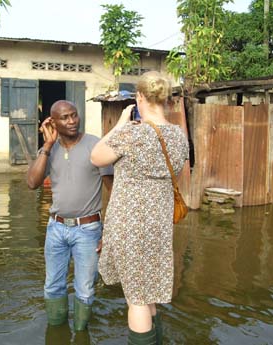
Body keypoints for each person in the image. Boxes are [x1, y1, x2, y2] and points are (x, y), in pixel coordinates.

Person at [90, 71, 189, 344]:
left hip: (130, 224)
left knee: (136, 299)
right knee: (148, 291)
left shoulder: (131, 134)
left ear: (140, 97)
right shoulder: (179, 136)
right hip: (159, 222)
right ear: (167, 100)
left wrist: (121, 123)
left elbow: (96, 157)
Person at [27, 100, 113, 331]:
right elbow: (32, 183)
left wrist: (111, 232)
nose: (72, 121)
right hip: (55, 228)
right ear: (52, 122)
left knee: (84, 289)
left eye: (74, 115)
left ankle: (80, 333)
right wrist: (46, 145)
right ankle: (57, 332)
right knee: (53, 286)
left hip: (88, 229)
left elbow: (112, 192)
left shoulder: (96, 146)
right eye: (64, 118)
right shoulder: (49, 149)